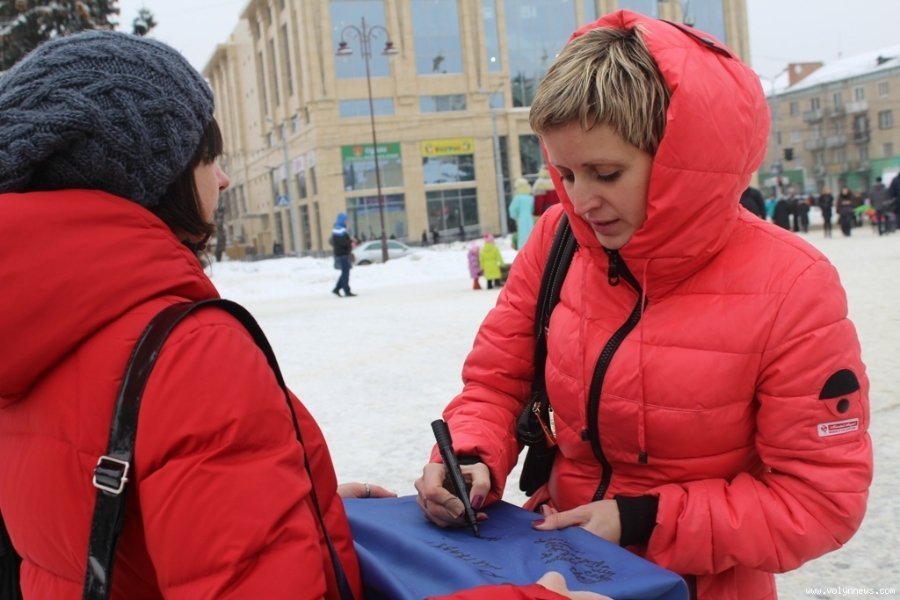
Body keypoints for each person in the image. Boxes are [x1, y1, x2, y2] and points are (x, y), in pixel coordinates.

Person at [0, 31, 604, 600]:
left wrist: (288, 512)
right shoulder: (190, 353)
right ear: (153, 178)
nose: (225, 179)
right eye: (208, 157)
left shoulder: (35, 334)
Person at [415, 11, 871, 600]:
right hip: (552, 566)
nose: (581, 200)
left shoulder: (793, 285)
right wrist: (469, 456)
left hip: (695, 585)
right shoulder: (557, 241)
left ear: (684, 157)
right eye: (566, 174)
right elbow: (496, 383)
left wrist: (642, 520)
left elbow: (820, 500)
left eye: (606, 173)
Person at [330, 212, 357, 297]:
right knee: (345, 273)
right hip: (342, 254)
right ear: (342, 220)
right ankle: (346, 291)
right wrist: (350, 242)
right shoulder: (338, 229)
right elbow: (342, 242)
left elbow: (344, 241)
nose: (347, 221)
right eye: (345, 219)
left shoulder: (341, 228)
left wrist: (351, 241)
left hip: (344, 253)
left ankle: (337, 289)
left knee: (345, 272)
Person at [508, 177, 536, 249]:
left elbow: (512, 209)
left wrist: (516, 217)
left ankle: (523, 251)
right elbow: (533, 209)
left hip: (521, 219)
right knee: (531, 235)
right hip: (530, 219)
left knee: (522, 236)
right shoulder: (530, 198)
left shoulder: (518, 198)